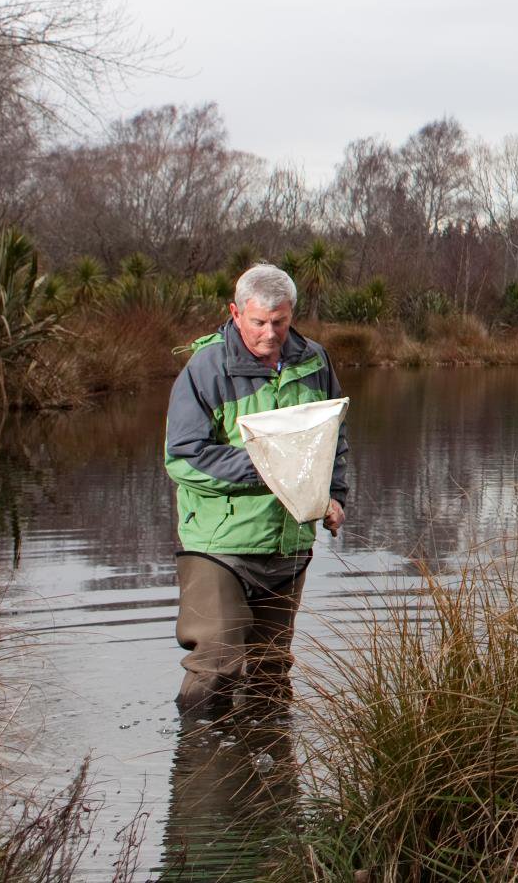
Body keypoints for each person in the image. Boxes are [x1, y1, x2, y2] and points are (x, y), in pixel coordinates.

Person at [163, 263, 350, 714]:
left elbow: (334, 439)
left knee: (270, 670)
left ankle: (269, 774)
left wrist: (336, 496)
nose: (270, 333)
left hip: (289, 543)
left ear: (292, 315)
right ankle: (200, 765)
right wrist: (271, 467)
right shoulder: (205, 367)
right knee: (216, 662)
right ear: (235, 313)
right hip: (218, 544)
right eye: (259, 322)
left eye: (280, 322)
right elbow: (184, 456)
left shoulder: (315, 361)